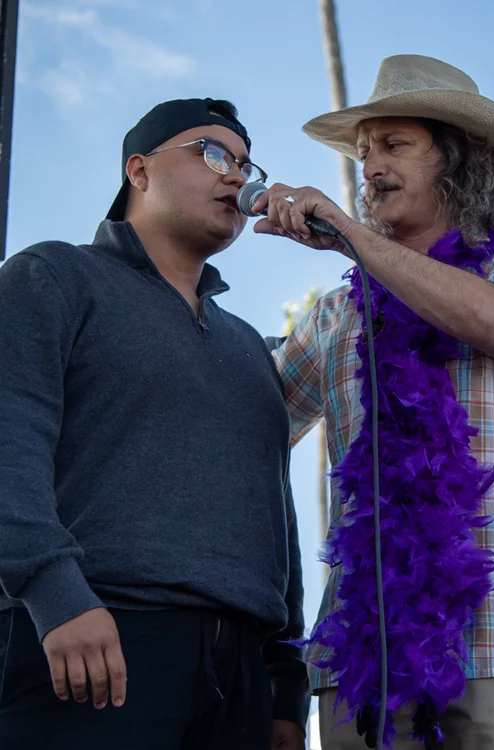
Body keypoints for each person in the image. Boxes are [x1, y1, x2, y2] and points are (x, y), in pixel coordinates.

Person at [254, 56, 494, 749]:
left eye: (393, 145)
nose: (369, 166)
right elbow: (244, 428)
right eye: (364, 151)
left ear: (458, 163)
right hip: (363, 661)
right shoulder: (336, 314)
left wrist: (350, 233)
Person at [0, 97, 308, 750]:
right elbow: (8, 437)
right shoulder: (53, 276)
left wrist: (285, 677)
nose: (239, 177)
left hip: (242, 677)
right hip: (93, 639)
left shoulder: (250, 346)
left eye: (249, 163)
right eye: (213, 153)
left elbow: (275, 510)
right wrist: (56, 595)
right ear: (139, 171)